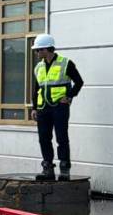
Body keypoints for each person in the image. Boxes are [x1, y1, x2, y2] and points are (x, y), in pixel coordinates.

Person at [30, 34, 84, 181]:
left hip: (59, 107)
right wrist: (34, 107)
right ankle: (48, 169)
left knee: (61, 138)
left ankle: (64, 169)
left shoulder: (66, 63)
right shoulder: (39, 67)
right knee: (44, 138)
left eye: (38, 50)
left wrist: (70, 96)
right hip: (43, 108)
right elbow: (36, 89)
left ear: (47, 49)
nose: (36, 53)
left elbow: (79, 82)